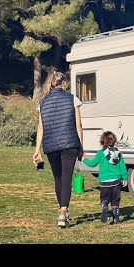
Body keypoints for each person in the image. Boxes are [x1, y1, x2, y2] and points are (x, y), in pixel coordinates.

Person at [33, 70, 84, 228]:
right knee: (67, 178)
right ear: (64, 83)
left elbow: (40, 128)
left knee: (58, 178)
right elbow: (78, 125)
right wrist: (81, 147)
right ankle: (63, 211)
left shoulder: (42, 103)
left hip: (51, 146)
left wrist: (37, 150)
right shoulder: (72, 99)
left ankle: (62, 211)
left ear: (51, 83)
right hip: (70, 144)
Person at [83, 130, 128, 224]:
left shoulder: (100, 153)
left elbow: (92, 164)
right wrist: (125, 178)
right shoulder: (118, 153)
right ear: (114, 140)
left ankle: (104, 205)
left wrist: (84, 159)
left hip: (105, 182)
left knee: (105, 198)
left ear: (102, 141)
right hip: (116, 181)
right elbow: (123, 167)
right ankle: (116, 218)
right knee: (115, 201)